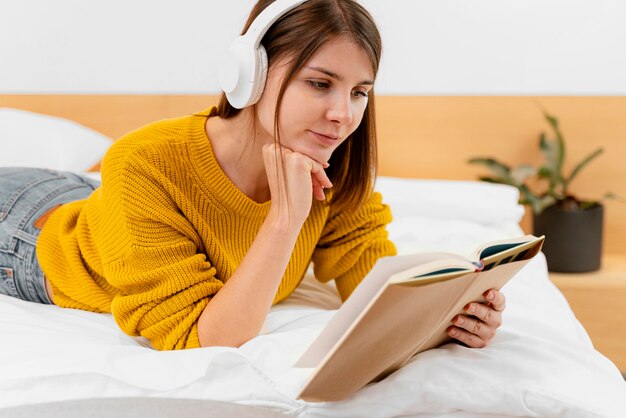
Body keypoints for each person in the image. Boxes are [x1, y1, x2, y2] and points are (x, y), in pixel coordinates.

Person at [0, 0, 505, 351]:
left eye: (358, 92)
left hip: (107, 207)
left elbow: (372, 284)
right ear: (252, 74)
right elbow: (204, 339)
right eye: (320, 83)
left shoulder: (334, 163)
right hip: (27, 235)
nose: (343, 115)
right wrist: (284, 221)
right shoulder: (144, 162)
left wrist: (452, 318)